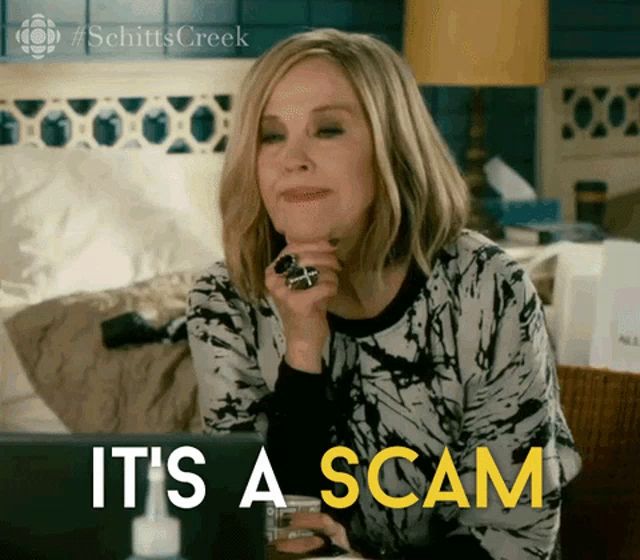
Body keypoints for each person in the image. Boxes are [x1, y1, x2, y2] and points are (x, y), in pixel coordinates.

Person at [187, 28, 581, 560]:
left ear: (390, 148)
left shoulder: (486, 285)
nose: (292, 158)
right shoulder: (223, 300)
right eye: (270, 136)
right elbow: (268, 530)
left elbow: (515, 538)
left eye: (328, 130)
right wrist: (302, 349)